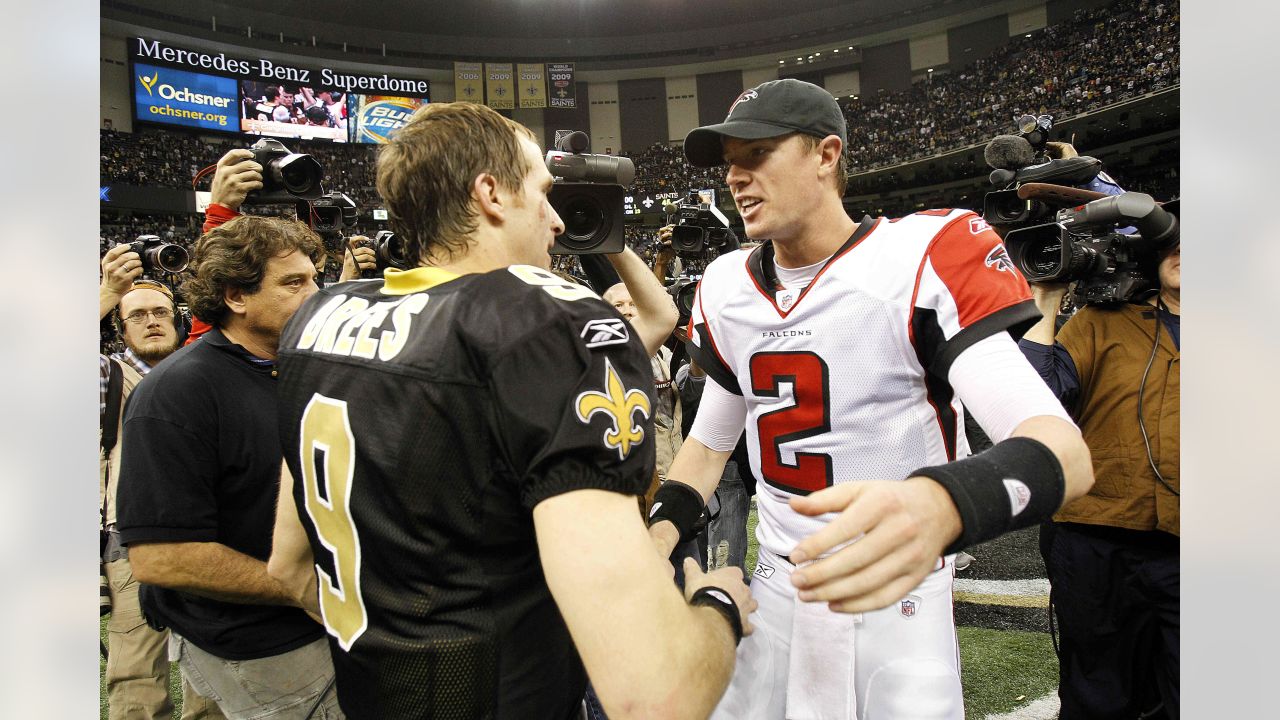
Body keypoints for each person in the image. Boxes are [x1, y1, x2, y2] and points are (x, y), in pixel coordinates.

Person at [266, 101, 754, 719]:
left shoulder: (318, 316)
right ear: (490, 193)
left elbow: (287, 565)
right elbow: (659, 694)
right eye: (543, 192)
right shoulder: (542, 321)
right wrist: (719, 606)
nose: (555, 219)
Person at [653, 78, 1095, 718]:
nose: (737, 178)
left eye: (758, 155)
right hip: (777, 587)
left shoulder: (920, 254)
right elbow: (707, 447)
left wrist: (942, 502)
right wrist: (655, 535)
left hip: (897, 592)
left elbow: (1062, 452)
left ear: (826, 154)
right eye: (730, 165)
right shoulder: (724, 284)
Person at [115, 215, 343, 719]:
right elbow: (161, 558)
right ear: (236, 296)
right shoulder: (178, 392)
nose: (317, 294)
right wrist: (303, 586)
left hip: (320, 626)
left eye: (314, 278)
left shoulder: (301, 367)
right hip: (261, 644)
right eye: (293, 283)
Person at [1019, 244, 1180, 719]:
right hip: (1097, 539)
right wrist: (1046, 299)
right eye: (1176, 241)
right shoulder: (1100, 320)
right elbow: (1033, 398)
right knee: (1098, 695)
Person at [98, 256, 222, 720]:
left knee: (213, 681)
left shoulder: (204, 367)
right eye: (137, 315)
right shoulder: (108, 376)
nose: (151, 321)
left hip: (208, 540)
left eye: (161, 312)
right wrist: (109, 289)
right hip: (133, 543)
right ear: (120, 329)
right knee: (138, 682)